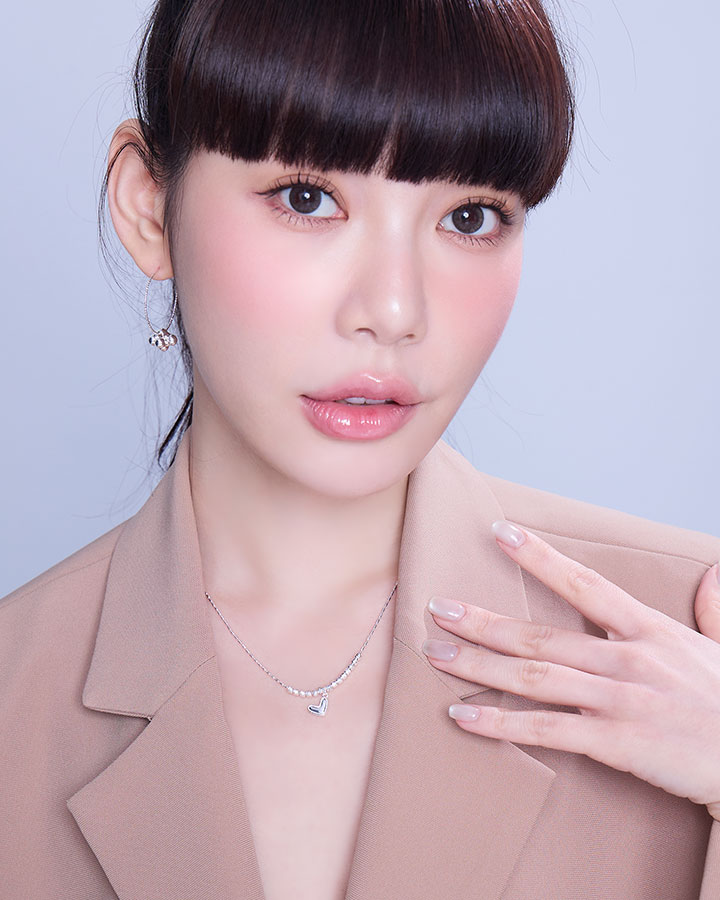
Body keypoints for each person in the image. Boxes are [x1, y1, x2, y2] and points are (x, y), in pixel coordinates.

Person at [1, 1, 719, 898]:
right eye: (308, 199)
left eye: (470, 217)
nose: (395, 309)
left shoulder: (692, 634)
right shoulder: (16, 699)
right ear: (149, 209)